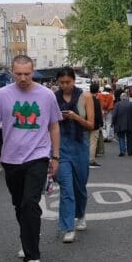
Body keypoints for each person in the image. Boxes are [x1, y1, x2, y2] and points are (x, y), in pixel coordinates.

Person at [0, 55, 62, 262]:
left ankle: (33, 257)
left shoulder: (46, 95)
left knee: (30, 203)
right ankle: (27, 237)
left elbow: (54, 127)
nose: (23, 78)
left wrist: (55, 157)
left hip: (37, 156)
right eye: (18, 74)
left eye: (27, 74)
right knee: (19, 205)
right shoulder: (2, 95)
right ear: (12, 72)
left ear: (33, 71)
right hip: (11, 159)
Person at [55, 67, 94, 243]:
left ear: (74, 80)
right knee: (66, 188)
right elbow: (48, 123)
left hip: (80, 145)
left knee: (80, 185)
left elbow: (91, 125)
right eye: (61, 83)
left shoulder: (85, 97)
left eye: (68, 82)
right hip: (61, 146)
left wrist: (75, 117)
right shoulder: (52, 97)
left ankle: (81, 213)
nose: (65, 86)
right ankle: (68, 227)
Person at [112, 90, 132, 156]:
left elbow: (114, 115)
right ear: (127, 97)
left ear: (121, 98)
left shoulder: (117, 105)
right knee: (130, 138)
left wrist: (113, 123)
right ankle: (129, 151)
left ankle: (122, 151)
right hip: (130, 124)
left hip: (120, 124)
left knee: (121, 138)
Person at [88, 82, 104, 167]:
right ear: (97, 91)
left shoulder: (86, 99)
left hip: (85, 123)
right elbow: (98, 113)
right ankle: (91, 159)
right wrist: (101, 123)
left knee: (86, 141)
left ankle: (84, 158)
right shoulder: (96, 101)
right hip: (95, 124)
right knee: (93, 142)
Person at [97, 85, 115, 151]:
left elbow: (97, 103)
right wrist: (107, 110)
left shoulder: (99, 95)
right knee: (108, 124)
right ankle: (108, 136)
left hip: (101, 111)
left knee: (103, 124)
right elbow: (112, 104)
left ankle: (104, 136)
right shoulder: (111, 95)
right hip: (109, 111)